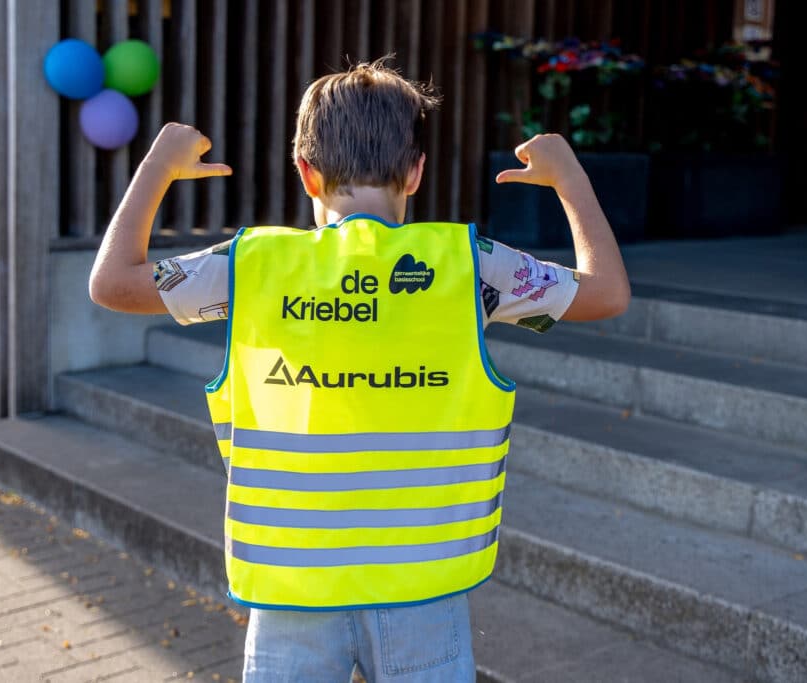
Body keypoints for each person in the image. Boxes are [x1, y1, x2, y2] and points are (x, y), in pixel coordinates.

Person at [89, 58, 629, 683]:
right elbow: (606, 293)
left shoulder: (251, 266)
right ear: (416, 172)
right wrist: (569, 179)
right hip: (422, 582)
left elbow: (112, 284)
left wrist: (158, 166)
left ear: (305, 173)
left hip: (291, 581)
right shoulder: (470, 266)